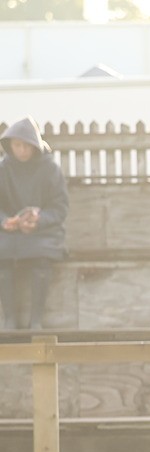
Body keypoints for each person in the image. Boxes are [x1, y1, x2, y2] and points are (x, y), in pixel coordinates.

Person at [0, 117, 68, 330]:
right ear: (9, 145)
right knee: (2, 255)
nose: (21, 150)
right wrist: (4, 222)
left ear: (34, 145)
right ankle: (9, 318)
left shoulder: (51, 169)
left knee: (41, 257)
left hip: (44, 233)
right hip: (10, 233)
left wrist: (39, 219)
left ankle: (36, 320)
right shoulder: (3, 170)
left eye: (26, 145)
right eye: (17, 145)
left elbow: (60, 208)